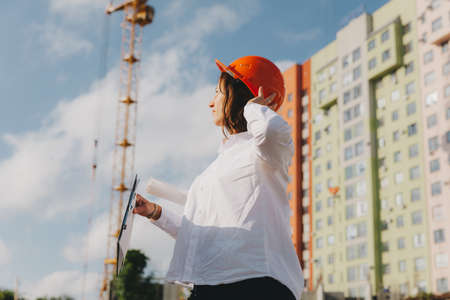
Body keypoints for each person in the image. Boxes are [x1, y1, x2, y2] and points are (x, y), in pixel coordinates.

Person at [133, 56, 304, 300]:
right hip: (211, 284)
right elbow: (205, 235)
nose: (211, 103)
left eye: (218, 92)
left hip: (255, 283)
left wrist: (253, 107)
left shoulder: (265, 150)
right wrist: (155, 212)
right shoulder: (218, 166)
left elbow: (269, 130)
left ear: (243, 96)